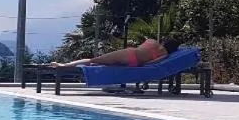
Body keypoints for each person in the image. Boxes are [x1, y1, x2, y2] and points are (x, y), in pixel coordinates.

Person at [51, 37, 179, 68]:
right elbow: (149, 64)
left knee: (93, 60)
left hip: (130, 54)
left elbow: (142, 46)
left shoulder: (152, 41)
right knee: (104, 64)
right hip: (134, 63)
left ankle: (63, 65)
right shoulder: (164, 56)